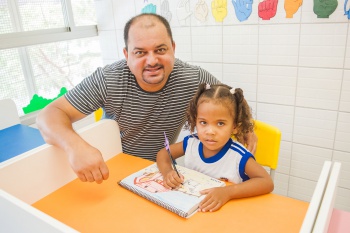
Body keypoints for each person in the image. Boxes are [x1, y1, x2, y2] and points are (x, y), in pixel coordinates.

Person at [36, 13, 257, 184]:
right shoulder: (109, 79)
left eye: (160, 49)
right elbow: (48, 115)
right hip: (112, 170)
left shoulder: (194, 79)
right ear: (127, 55)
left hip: (160, 171)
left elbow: (230, 99)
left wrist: (247, 127)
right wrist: (76, 147)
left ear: (173, 48)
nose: (152, 61)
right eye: (140, 52)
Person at [156, 83, 273, 212]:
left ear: (234, 126)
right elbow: (163, 154)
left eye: (220, 123)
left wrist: (227, 192)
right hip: (194, 209)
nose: (210, 131)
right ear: (195, 121)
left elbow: (266, 182)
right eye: (203, 122)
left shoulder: (238, 156)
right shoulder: (191, 142)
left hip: (226, 213)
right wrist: (167, 172)